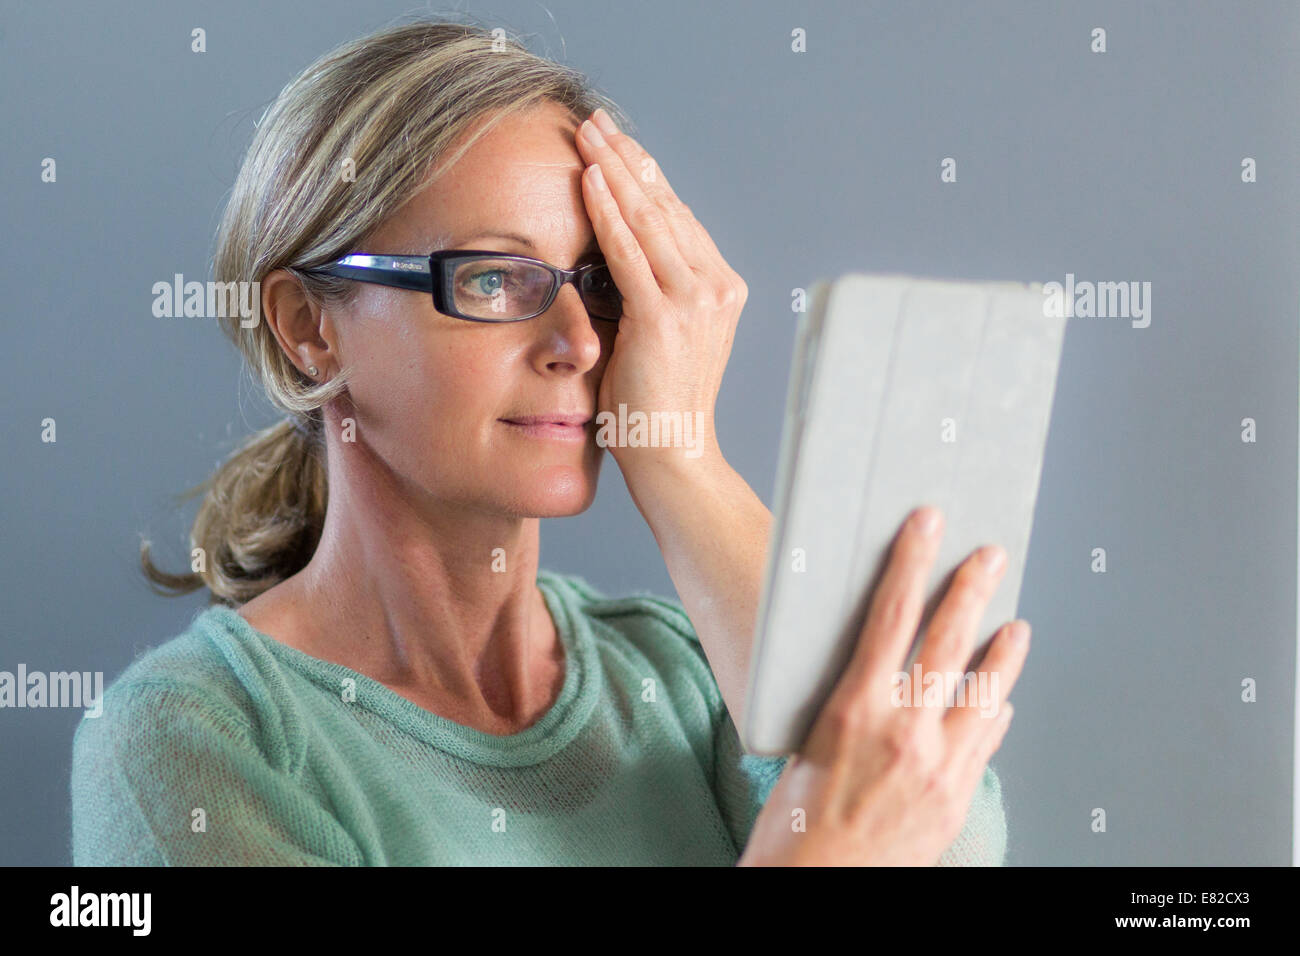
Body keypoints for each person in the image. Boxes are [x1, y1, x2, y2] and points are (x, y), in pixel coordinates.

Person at [70, 18, 1026, 866]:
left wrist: (680, 457)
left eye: (603, 281)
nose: (580, 342)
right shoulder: (196, 738)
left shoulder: (686, 670)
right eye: (494, 280)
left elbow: (948, 849)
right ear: (312, 327)